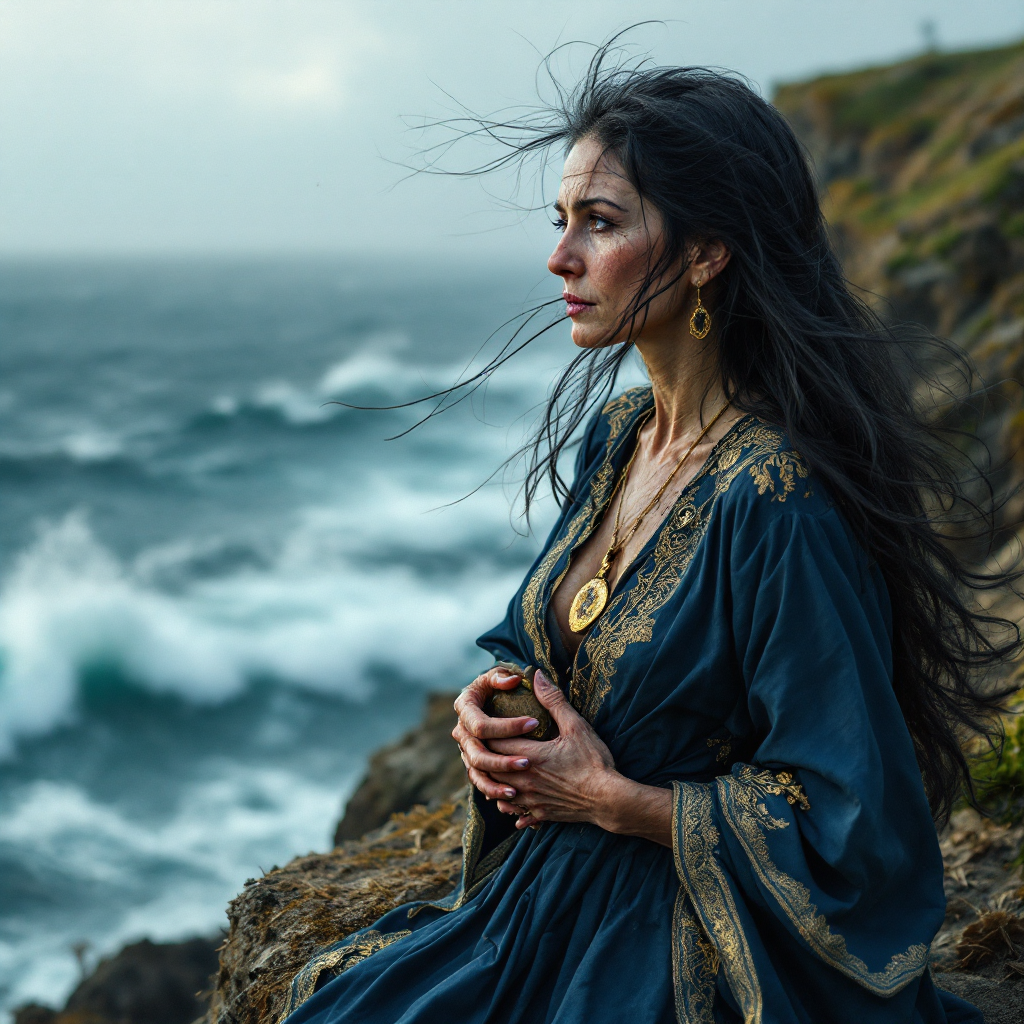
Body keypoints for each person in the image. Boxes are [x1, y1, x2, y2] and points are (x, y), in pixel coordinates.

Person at [279, 52, 1016, 1024]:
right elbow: (541, 637)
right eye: (561, 222)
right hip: (545, 895)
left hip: (683, 938)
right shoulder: (617, 436)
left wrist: (610, 800)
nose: (560, 258)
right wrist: (492, 711)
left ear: (706, 252)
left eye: (601, 222)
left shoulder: (775, 499)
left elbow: (853, 817)